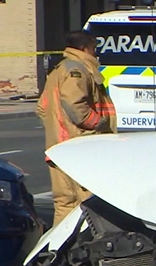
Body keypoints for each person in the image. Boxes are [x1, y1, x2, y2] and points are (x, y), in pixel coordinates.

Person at [36, 30, 117, 225]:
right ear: (84, 48)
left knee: (65, 204)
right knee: (90, 203)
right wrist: (98, 124)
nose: (95, 54)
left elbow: (41, 108)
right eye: (93, 49)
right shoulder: (78, 71)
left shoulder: (59, 70)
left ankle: (58, 249)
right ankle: (87, 248)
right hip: (78, 149)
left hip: (59, 149)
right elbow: (75, 106)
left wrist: (56, 130)